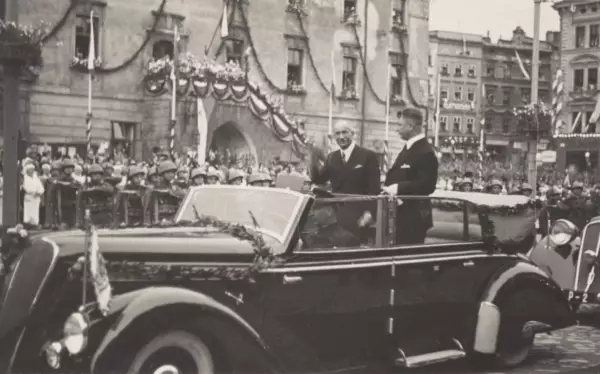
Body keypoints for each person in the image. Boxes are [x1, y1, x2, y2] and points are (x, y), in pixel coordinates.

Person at [382, 108, 438, 245]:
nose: (397, 129)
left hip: (413, 218)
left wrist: (398, 188)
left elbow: (428, 184)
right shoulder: (410, 148)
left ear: (410, 126)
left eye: (399, 125)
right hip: (402, 215)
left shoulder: (425, 152)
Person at [309, 120, 380, 195]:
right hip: (336, 205)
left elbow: (374, 190)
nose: (341, 137)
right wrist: (314, 154)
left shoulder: (368, 155)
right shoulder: (331, 157)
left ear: (352, 133)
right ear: (334, 136)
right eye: (337, 133)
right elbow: (318, 180)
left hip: (359, 205)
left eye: (344, 132)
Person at [22, 163, 45, 227]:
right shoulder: (25, 178)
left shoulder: (36, 178)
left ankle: (35, 224)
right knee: (28, 211)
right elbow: (25, 187)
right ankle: (27, 224)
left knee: (35, 211)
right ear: (27, 170)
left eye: (32, 169)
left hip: (36, 197)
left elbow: (41, 187)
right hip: (29, 196)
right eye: (30, 169)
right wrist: (32, 192)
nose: (31, 171)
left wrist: (39, 192)